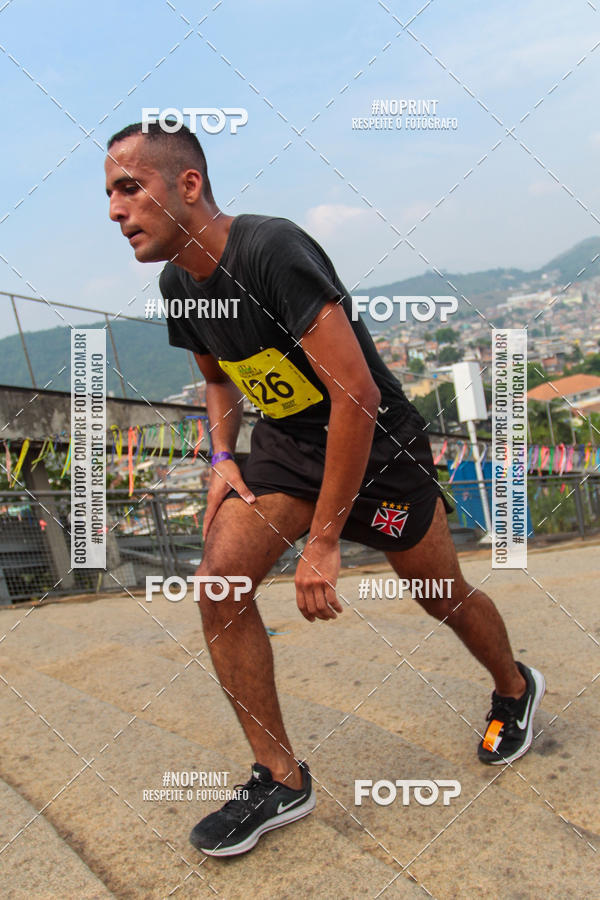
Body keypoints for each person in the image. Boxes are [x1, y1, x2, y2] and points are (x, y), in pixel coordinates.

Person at [104, 121, 545, 857]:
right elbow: (219, 380)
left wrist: (326, 540)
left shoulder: (270, 249)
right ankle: (280, 777)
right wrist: (222, 456)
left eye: (129, 187)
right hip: (290, 446)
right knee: (218, 584)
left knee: (439, 594)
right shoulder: (178, 282)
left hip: (377, 448)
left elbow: (357, 396)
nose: (116, 210)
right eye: (109, 195)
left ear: (188, 184)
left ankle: (514, 686)